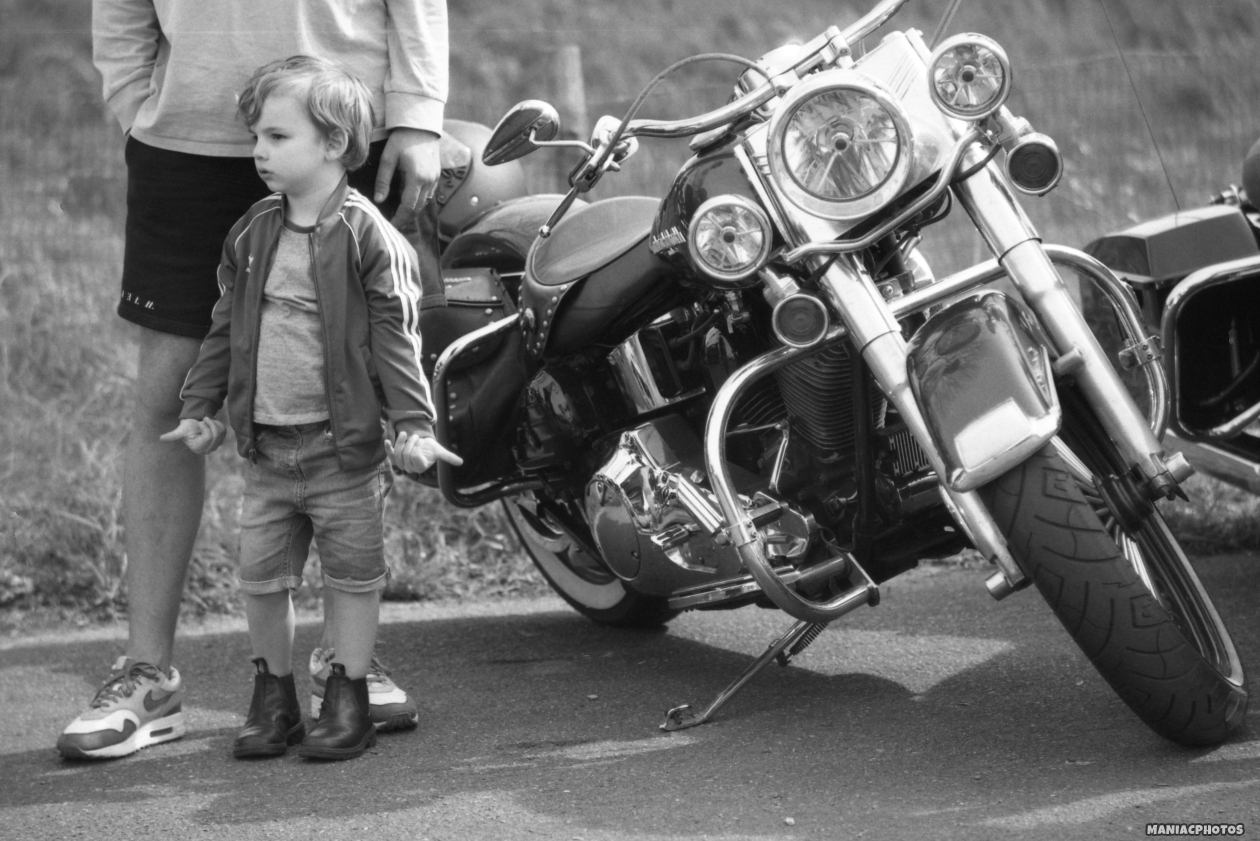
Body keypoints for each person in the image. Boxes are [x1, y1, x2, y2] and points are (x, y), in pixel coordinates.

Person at [58, 1, 449, 760]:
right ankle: (147, 675)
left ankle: (344, 666)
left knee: (350, 380)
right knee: (168, 394)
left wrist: (419, 113)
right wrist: (137, 104)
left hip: (337, 114)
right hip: (184, 140)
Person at [179, 55, 461, 760]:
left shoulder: (368, 235)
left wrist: (414, 425)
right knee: (260, 579)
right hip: (267, 453)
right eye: (256, 137)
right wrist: (201, 406)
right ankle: (272, 697)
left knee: (353, 578)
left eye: (277, 137)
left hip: (344, 455)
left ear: (334, 143)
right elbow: (224, 326)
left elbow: (397, 337)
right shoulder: (252, 232)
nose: (258, 151)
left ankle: (348, 696)